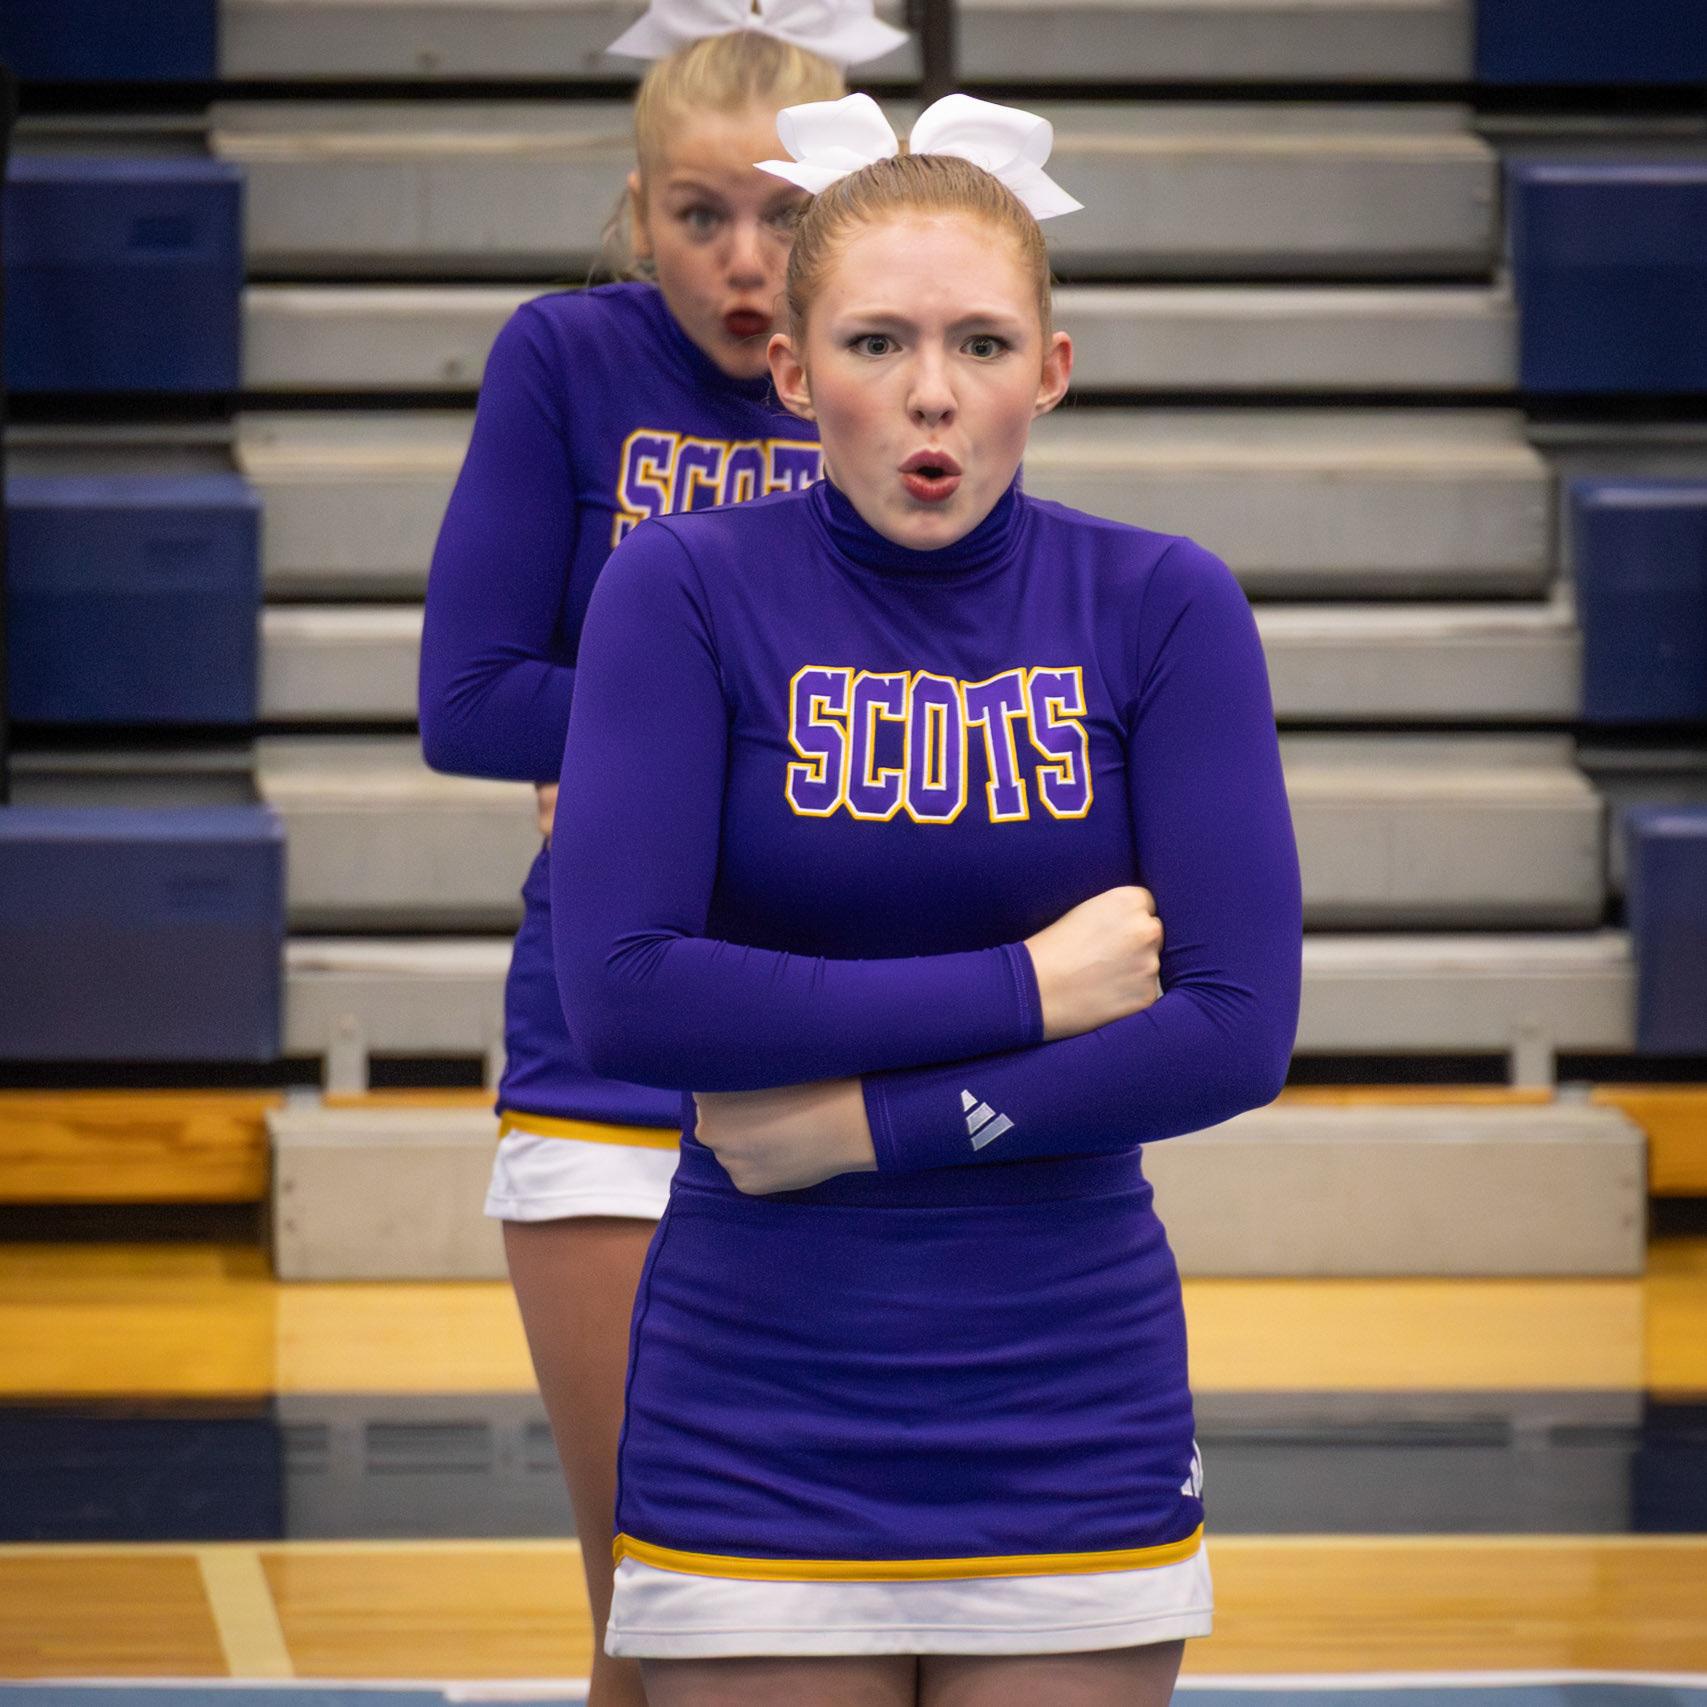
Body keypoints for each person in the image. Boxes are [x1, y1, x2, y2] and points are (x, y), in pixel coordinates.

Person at [550, 93, 1304, 1707]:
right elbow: (622, 990)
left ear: (1053, 369)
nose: (930, 397)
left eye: (978, 344)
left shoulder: (1163, 603)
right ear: (793, 371)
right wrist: (1032, 987)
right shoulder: (678, 587)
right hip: (756, 1393)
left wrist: (859, 1127)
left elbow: (1233, 1033)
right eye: (878, 344)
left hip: (1069, 1394)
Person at [417, 8, 904, 1701]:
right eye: (701, 215)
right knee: (648, 1606)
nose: (746, 259)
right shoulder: (566, 361)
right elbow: (468, 702)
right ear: (638, 215)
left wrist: (652, 746)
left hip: (852, 1029)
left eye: (783, 216)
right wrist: (719, 744)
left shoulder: (888, 381)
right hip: (611, 1047)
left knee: (830, 1598)